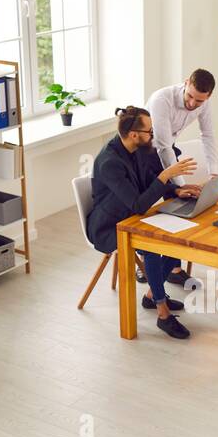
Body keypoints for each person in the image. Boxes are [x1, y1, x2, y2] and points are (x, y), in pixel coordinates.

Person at [85, 106, 200, 340]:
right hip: (110, 225)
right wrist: (166, 175)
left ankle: (151, 296)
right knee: (151, 247)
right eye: (149, 131)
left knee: (175, 240)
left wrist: (177, 189)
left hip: (134, 217)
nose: (153, 134)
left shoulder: (139, 149)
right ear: (134, 134)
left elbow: (150, 180)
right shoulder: (110, 162)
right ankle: (162, 313)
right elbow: (138, 203)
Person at [144, 69, 218, 286]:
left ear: (208, 96)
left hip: (167, 149)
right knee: (161, 207)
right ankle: (145, 262)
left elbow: (208, 135)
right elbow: (163, 146)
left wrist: (214, 173)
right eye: (190, 96)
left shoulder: (203, 103)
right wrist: (180, 187)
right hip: (145, 154)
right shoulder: (162, 100)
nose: (193, 104)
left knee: (178, 209)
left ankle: (173, 267)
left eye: (200, 100)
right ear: (186, 83)